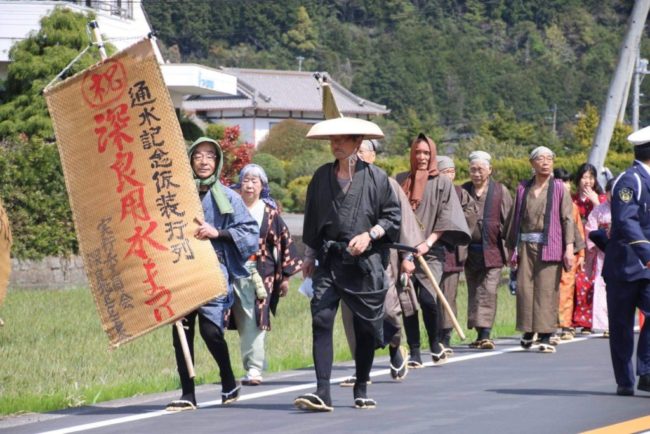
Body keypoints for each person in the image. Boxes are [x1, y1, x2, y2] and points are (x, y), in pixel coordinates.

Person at [294, 117, 401, 411]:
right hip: (329, 260)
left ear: (357, 143)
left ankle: (362, 385)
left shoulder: (378, 178)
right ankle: (322, 392)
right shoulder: (320, 177)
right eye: (333, 140)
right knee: (321, 319)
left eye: (343, 140)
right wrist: (308, 254)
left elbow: (392, 218)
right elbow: (312, 218)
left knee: (367, 328)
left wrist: (370, 235)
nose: (336, 145)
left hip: (364, 264)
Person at [166, 137, 259, 411]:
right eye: (198, 156)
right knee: (181, 332)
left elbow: (250, 233)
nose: (204, 161)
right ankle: (188, 394)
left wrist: (217, 232)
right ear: (190, 161)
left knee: (210, 331)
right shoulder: (175, 196)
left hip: (212, 271)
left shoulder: (229, 197)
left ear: (217, 163)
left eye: (210, 156)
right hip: (181, 271)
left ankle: (228, 378)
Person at [339, 140, 423, 386]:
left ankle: (396, 346)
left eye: (361, 152)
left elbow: (405, 222)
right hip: (348, 261)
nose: (356, 157)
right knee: (352, 316)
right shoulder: (340, 183)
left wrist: (408, 257)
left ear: (372, 156)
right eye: (354, 152)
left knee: (387, 309)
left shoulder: (387, 183)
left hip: (381, 258)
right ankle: (360, 368)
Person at [396, 134, 471, 367]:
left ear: (433, 156)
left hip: (431, 251)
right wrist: (406, 248)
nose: (421, 157)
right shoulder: (399, 180)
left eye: (426, 153)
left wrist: (427, 242)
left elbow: (447, 216)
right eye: (418, 152)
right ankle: (415, 350)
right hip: (404, 253)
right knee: (407, 301)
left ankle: (435, 343)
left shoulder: (443, 183)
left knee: (428, 299)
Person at [232, 164, 302, 386]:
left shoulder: (270, 213)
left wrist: (286, 278)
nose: (250, 185)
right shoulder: (230, 209)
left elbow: (283, 244)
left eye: (255, 181)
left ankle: (253, 368)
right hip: (233, 270)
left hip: (262, 273)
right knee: (239, 321)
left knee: (255, 320)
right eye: (246, 180)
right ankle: (250, 363)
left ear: (262, 186)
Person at [505, 146, 574, 354]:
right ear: (532, 163)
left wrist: (568, 248)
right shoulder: (522, 188)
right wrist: (511, 248)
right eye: (540, 159)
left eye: (549, 158)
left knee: (546, 289)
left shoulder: (560, 188)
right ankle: (528, 330)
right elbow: (514, 219)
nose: (545, 162)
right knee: (525, 289)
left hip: (550, 244)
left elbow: (567, 219)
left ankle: (545, 333)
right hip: (526, 244)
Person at [602, 125, 650, 396]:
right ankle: (625, 380)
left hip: (646, 266)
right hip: (625, 265)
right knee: (621, 325)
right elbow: (625, 220)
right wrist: (647, 253)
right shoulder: (629, 180)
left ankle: (646, 371)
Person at [462, 151, 512, 350]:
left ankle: (485, 333)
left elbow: (509, 222)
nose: (476, 173)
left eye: (480, 169)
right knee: (474, 290)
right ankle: (478, 332)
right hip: (469, 252)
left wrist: (511, 248)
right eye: (473, 169)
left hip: (493, 250)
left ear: (489, 170)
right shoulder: (463, 191)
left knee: (488, 290)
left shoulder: (500, 191)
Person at [436, 155, 477, 352]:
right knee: (428, 295)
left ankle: (445, 335)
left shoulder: (461, 193)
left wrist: (453, 226)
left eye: (452, 172)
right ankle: (431, 333)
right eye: (445, 172)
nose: (449, 175)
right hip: (430, 250)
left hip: (451, 251)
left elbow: (471, 215)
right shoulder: (429, 190)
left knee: (448, 294)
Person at [573, 163, 608, 335]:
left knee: (594, 283)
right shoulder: (572, 199)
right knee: (578, 282)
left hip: (596, 247)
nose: (587, 181)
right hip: (577, 243)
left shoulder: (602, 198)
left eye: (591, 177)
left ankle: (593, 321)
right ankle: (579, 321)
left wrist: (595, 202)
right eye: (584, 177)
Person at [553, 168, 586, 341]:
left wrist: (581, 255)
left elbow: (578, 230)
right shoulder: (548, 202)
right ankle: (548, 326)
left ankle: (565, 326)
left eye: (567, 181)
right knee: (549, 290)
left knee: (567, 290)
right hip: (550, 252)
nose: (565, 185)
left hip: (569, 253)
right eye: (561, 181)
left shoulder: (572, 206)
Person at [585, 179, 613, 336]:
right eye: (610, 192)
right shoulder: (599, 210)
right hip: (602, 252)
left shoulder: (624, 208)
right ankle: (604, 325)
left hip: (620, 251)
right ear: (606, 192)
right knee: (601, 286)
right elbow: (590, 227)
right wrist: (595, 244)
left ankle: (617, 321)